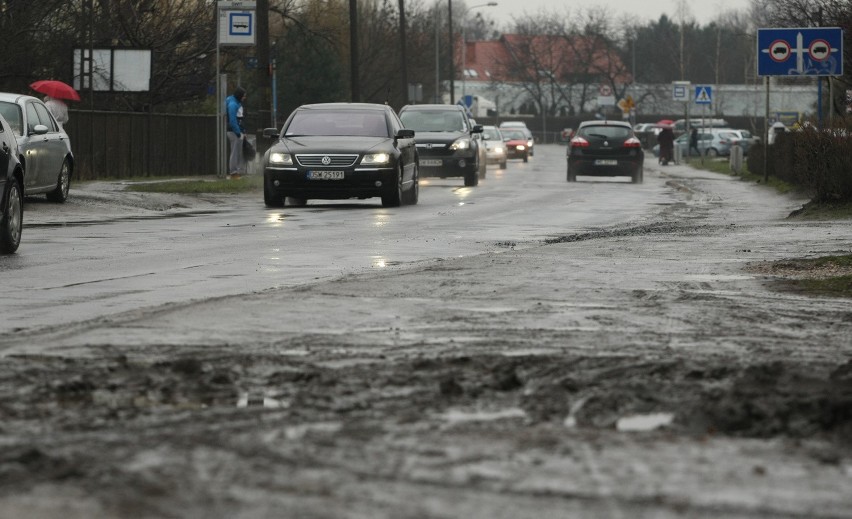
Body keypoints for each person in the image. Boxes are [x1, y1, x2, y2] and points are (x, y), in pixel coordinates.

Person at [225, 86, 247, 179]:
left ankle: (237, 171)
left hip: (235, 131)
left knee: (237, 151)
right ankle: (234, 172)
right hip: (234, 132)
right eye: (243, 96)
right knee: (235, 152)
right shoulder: (233, 104)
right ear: (239, 95)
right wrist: (238, 132)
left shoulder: (233, 101)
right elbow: (233, 120)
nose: (244, 98)